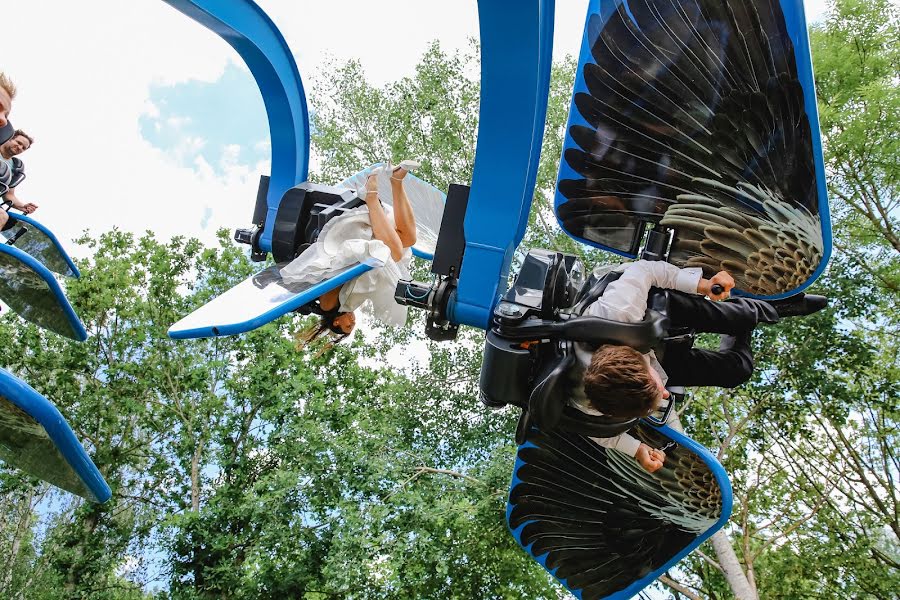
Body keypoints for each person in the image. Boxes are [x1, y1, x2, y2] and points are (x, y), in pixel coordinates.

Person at [572, 260, 826, 473]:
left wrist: (702, 285)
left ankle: (769, 308)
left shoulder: (618, 311)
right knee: (737, 371)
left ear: (636, 360)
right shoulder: (583, 401)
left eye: (657, 387)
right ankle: (746, 314)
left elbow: (644, 270)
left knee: (738, 316)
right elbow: (598, 432)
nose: (665, 393)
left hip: (655, 314)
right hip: (655, 357)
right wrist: (638, 450)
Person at [281, 161, 419, 345]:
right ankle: (397, 180)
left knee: (393, 253)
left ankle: (370, 195)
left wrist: (370, 267)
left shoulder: (328, 306)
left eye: (348, 326)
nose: (353, 322)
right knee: (408, 239)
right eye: (352, 326)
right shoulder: (348, 305)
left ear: (336, 321)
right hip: (355, 253)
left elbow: (336, 275)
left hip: (342, 249)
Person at [0, 128, 38, 219]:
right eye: (18, 143)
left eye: (24, 148)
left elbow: (9, 195)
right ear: (9, 138)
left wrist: (23, 206)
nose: (20, 147)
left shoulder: (15, 167)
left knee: (2, 216)